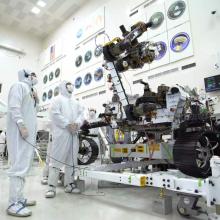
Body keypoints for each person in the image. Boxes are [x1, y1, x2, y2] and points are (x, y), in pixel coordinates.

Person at [45, 81, 86, 198]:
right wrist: (68, 124)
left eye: (72, 84)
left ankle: (70, 184)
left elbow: (81, 114)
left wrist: (77, 124)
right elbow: (54, 114)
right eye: (68, 84)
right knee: (56, 159)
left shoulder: (76, 102)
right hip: (61, 133)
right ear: (63, 86)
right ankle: (51, 186)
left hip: (73, 133)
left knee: (72, 160)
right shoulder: (57, 100)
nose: (71, 86)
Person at [6, 69, 39, 217]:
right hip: (20, 132)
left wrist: (36, 98)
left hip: (27, 134)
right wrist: (21, 125)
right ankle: (13, 203)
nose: (35, 77)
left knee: (24, 166)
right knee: (18, 166)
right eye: (32, 74)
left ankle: (19, 198)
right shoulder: (18, 86)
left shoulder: (31, 90)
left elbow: (32, 111)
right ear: (26, 75)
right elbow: (14, 107)